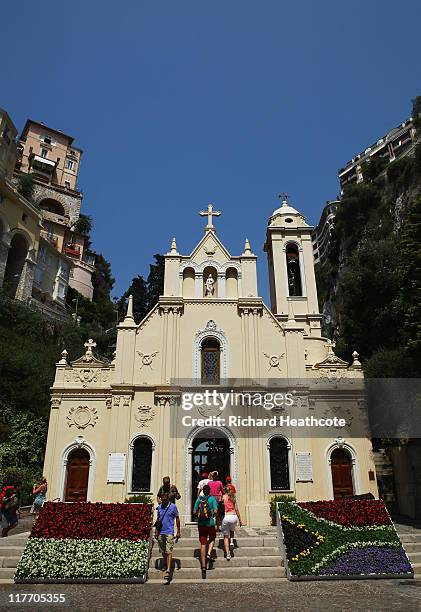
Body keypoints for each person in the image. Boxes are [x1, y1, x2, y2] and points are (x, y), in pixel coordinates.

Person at [155, 491, 181, 584]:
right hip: (161, 532)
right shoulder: (160, 507)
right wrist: (156, 531)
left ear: (168, 499)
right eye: (162, 500)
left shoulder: (173, 507)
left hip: (169, 532)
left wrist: (178, 531)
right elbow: (158, 519)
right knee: (163, 551)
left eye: (165, 500)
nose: (163, 502)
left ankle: (168, 570)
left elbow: (177, 518)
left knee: (169, 551)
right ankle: (167, 563)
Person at [193, 484, 218, 579]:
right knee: (212, 538)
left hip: (201, 524)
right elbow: (215, 511)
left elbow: (194, 512)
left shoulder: (199, 499)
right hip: (210, 523)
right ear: (210, 490)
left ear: (203, 490)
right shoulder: (212, 499)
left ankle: (203, 566)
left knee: (203, 543)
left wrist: (199, 513)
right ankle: (209, 553)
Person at [221, 486, 243, 559]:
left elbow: (221, 506)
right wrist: (240, 520)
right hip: (233, 516)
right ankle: (232, 541)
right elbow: (236, 509)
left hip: (226, 516)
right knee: (232, 531)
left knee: (226, 536)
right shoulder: (233, 498)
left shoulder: (223, 497)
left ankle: (227, 554)